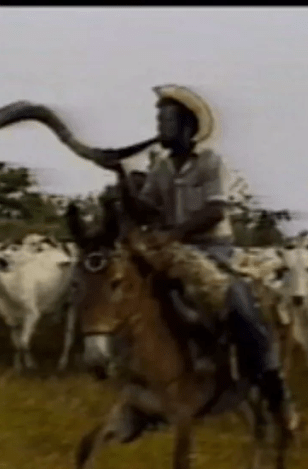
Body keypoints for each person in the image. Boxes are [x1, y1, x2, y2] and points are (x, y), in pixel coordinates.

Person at [119, 84, 298, 431]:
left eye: (166, 121)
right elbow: (146, 209)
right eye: (158, 121)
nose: (160, 128)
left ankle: (273, 385)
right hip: (170, 252)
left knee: (238, 303)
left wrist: (174, 233)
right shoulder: (162, 168)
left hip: (212, 249)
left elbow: (215, 210)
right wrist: (123, 183)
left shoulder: (211, 162)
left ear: (186, 126)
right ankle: (142, 381)